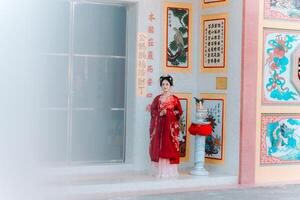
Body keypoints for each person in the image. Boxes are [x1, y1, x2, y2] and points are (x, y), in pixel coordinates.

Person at [149, 74, 183, 178]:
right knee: (159, 146)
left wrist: (168, 113)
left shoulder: (174, 99)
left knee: (169, 145)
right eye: (163, 84)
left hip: (169, 128)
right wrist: (159, 113)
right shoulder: (157, 99)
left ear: (170, 85)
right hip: (159, 127)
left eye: (167, 84)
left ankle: (170, 172)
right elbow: (153, 111)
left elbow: (179, 112)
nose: (165, 86)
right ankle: (160, 171)